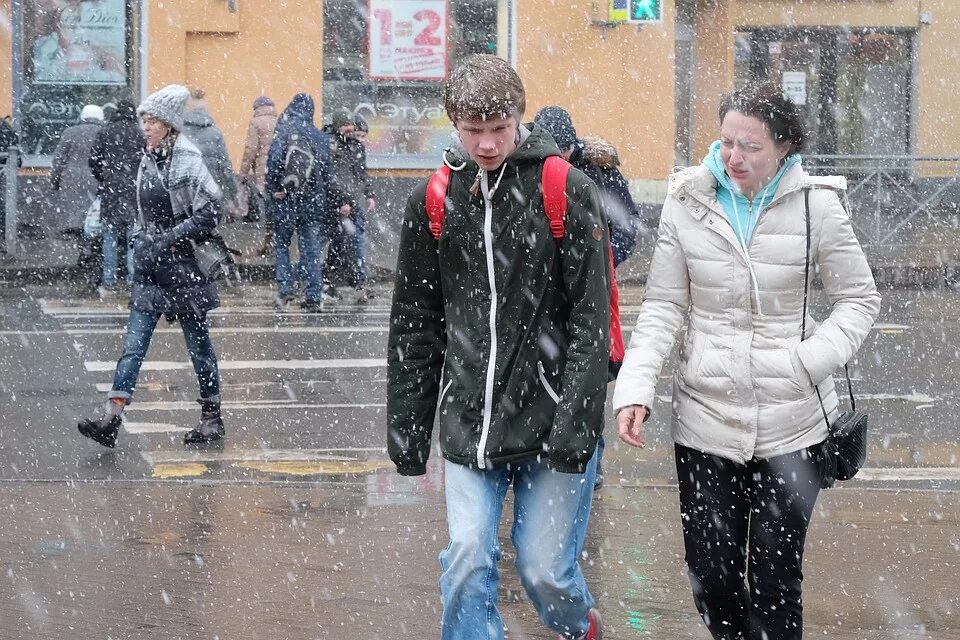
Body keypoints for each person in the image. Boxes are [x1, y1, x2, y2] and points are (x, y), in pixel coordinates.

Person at [613, 82, 881, 640]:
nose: (734, 157)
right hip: (706, 423)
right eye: (727, 141)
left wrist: (808, 361)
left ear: (784, 147)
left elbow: (859, 299)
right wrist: (635, 386)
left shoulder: (818, 206)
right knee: (711, 579)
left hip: (794, 425)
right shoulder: (689, 200)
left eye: (751, 146)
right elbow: (663, 305)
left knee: (775, 582)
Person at [387, 54, 608, 640]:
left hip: (552, 412)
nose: (487, 143)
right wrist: (408, 424)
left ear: (520, 117)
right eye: (473, 129)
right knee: (466, 561)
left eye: (499, 128)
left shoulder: (563, 187)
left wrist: (577, 419)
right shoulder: (433, 200)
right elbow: (415, 322)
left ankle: (580, 627)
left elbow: (591, 316)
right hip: (469, 420)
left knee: (543, 573)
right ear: (453, 125)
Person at [77, 84, 226, 448]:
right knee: (133, 345)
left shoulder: (188, 158)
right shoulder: (148, 157)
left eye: (153, 120)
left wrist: (172, 235)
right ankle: (111, 417)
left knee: (199, 347)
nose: (145, 126)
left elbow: (212, 208)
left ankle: (211, 417)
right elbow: (145, 212)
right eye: (144, 119)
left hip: (184, 267)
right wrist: (142, 241)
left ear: (169, 125)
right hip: (151, 267)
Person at [534, 105, 642, 490]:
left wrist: (598, 258)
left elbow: (627, 227)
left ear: (573, 146)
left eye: (563, 152)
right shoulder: (531, 165)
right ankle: (547, 463)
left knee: (587, 376)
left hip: (591, 286)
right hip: (544, 292)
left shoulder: (597, 171)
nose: (558, 160)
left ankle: (587, 468)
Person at [265, 93, 340, 312]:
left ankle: (285, 288)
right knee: (311, 250)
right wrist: (318, 193)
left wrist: (276, 189)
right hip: (312, 201)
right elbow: (327, 172)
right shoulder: (318, 136)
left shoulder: (284, 131)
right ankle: (314, 296)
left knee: (281, 245)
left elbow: (274, 162)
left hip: (287, 200)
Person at [89, 98, 143, 298]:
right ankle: (133, 279)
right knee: (133, 237)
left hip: (111, 190)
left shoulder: (106, 131)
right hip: (134, 191)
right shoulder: (140, 133)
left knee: (109, 237)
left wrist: (104, 178)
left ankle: (109, 279)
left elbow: (93, 160)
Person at [322, 109, 375, 303]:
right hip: (336, 203)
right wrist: (343, 201)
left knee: (343, 243)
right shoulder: (335, 144)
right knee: (340, 243)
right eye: (349, 127)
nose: (355, 135)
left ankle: (343, 283)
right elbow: (337, 176)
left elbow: (359, 174)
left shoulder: (352, 146)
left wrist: (369, 194)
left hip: (348, 202)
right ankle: (331, 284)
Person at [50, 104, 103, 287]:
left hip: (73, 183)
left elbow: (59, 158)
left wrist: (55, 180)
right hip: (96, 182)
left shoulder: (70, 133)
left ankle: (84, 251)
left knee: (79, 220)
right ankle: (93, 253)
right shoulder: (103, 133)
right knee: (94, 221)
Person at [181, 88, 239, 214]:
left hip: (183, 193)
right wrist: (234, 195)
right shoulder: (215, 132)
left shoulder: (177, 132)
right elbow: (226, 167)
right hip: (210, 191)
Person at [238, 95, 278, 232]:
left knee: (269, 206)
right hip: (279, 168)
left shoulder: (255, 123)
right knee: (278, 204)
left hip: (264, 169)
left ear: (256, 108)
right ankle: (278, 239)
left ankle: (270, 239)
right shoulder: (279, 121)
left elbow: (251, 150)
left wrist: (243, 174)